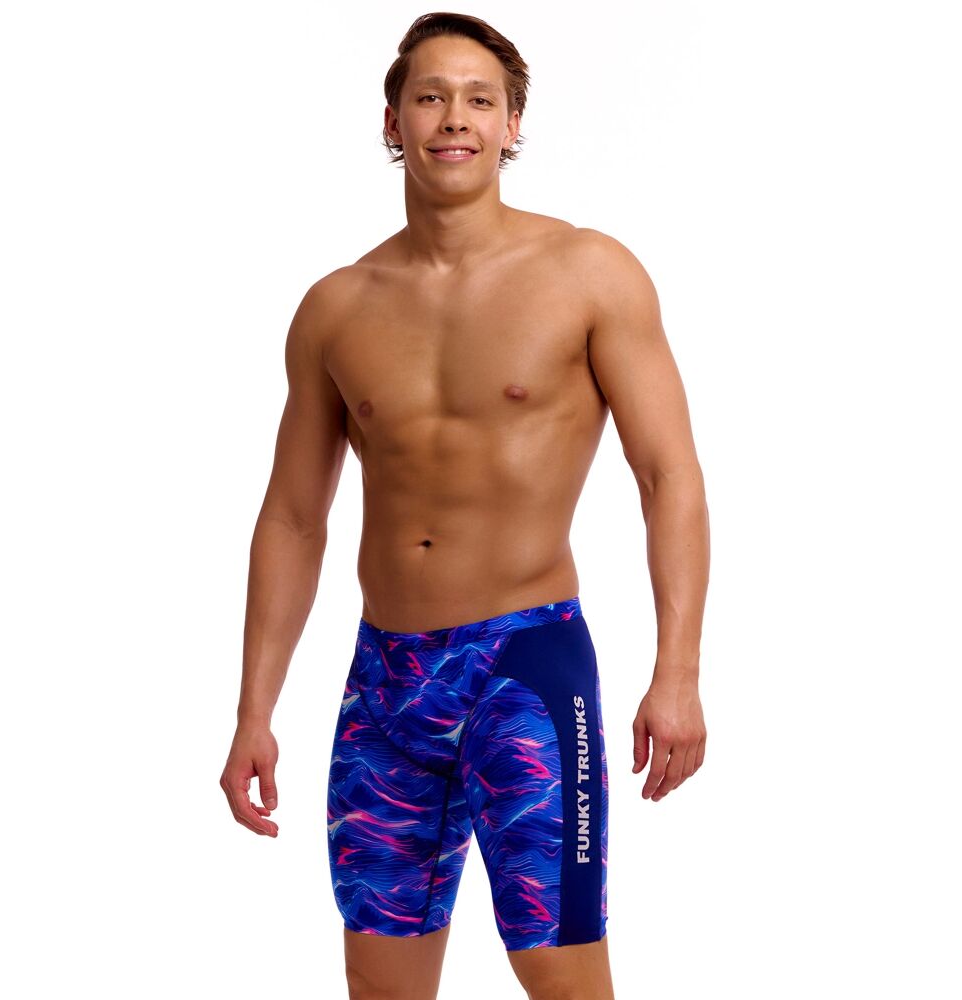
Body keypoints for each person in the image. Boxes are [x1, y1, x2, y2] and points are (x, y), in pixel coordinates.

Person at [220, 12, 709, 1000]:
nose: (455, 119)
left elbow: (670, 477)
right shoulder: (337, 306)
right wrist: (253, 710)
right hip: (384, 685)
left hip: (523, 668)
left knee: (561, 978)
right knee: (382, 986)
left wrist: (679, 673)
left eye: (480, 100)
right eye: (431, 97)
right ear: (393, 120)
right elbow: (294, 518)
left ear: (511, 123)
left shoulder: (588, 273)